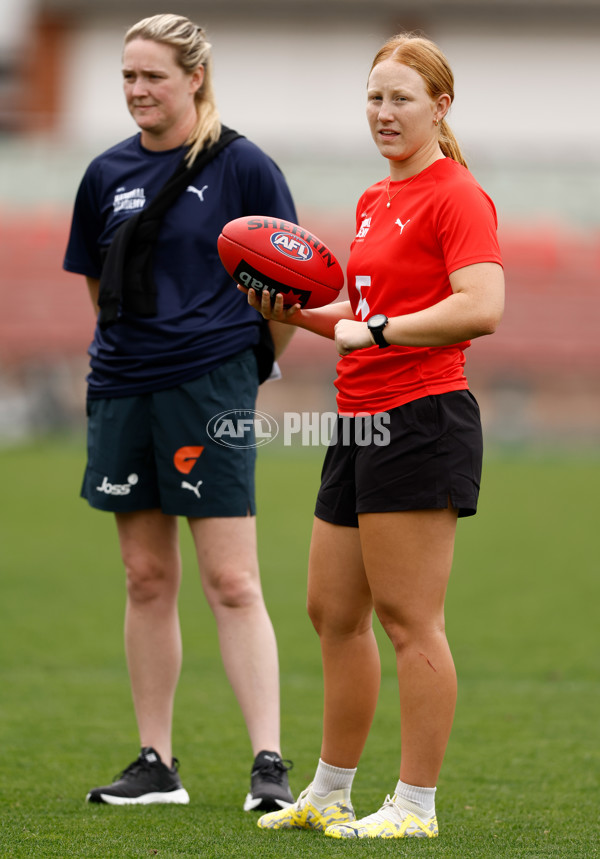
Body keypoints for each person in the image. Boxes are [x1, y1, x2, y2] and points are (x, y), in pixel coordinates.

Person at [247, 33, 504, 839]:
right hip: (357, 417)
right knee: (332, 612)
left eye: (400, 98)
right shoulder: (372, 199)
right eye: (373, 98)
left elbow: (482, 306)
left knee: (408, 620)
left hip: (423, 418)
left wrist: (383, 330)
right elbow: (355, 325)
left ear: (439, 107)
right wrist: (290, 308)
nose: (383, 113)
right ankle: (328, 790)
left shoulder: (456, 194)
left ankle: (416, 806)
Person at [63, 13, 298, 811]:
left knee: (232, 579)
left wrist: (243, 366)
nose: (136, 90)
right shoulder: (104, 174)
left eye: (152, 76)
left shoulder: (244, 167)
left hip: (210, 387)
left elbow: (288, 291)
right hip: (124, 384)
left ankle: (268, 764)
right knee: (145, 575)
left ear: (194, 77)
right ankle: (156, 763)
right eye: (127, 76)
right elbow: (97, 290)